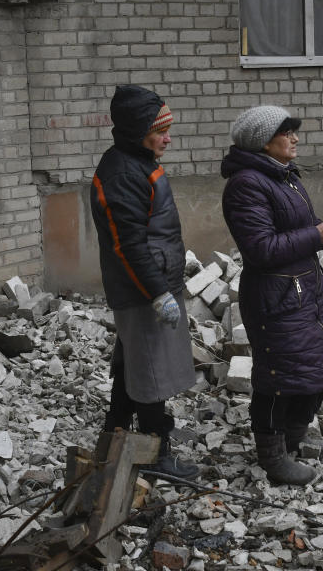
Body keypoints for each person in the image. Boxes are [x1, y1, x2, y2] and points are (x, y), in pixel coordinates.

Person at [221, 106, 323, 486]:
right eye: (286, 132)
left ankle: (295, 435)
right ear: (263, 141)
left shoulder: (284, 177)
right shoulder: (246, 184)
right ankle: (272, 455)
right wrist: (315, 236)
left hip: (302, 286)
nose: (295, 138)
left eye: (294, 131)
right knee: (279, 374)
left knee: (315, 367)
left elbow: (289, 226)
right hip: (275, 295)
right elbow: (260, 247)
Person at [90, 84, 199, 479]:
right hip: (141, 291)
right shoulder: (122, 173)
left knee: (132, 361)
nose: (168, 138)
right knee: (152, 371)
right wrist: (157, 293)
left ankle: (114, 431)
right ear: (139, 132)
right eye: (161, 131)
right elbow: (129, 245)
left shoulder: (136, 162)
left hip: (147, 285)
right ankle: (156, 453)